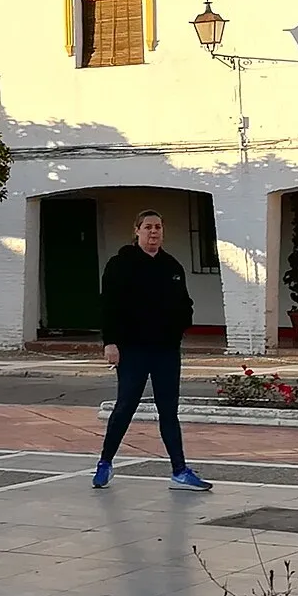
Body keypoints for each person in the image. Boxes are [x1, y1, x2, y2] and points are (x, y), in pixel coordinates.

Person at [95, 208, 210, 492]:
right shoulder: (120, 264)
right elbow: (108, 305)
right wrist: (110, 342)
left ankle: (180, 471)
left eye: (158, 227)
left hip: (166, 351)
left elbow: (185, 304)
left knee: (169, 411)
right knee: (125, 407)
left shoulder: (171, 266)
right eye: (147, 227)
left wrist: (179, 328)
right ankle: (105, 464)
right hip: (132, 350)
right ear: (137, 231)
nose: (153, 232)